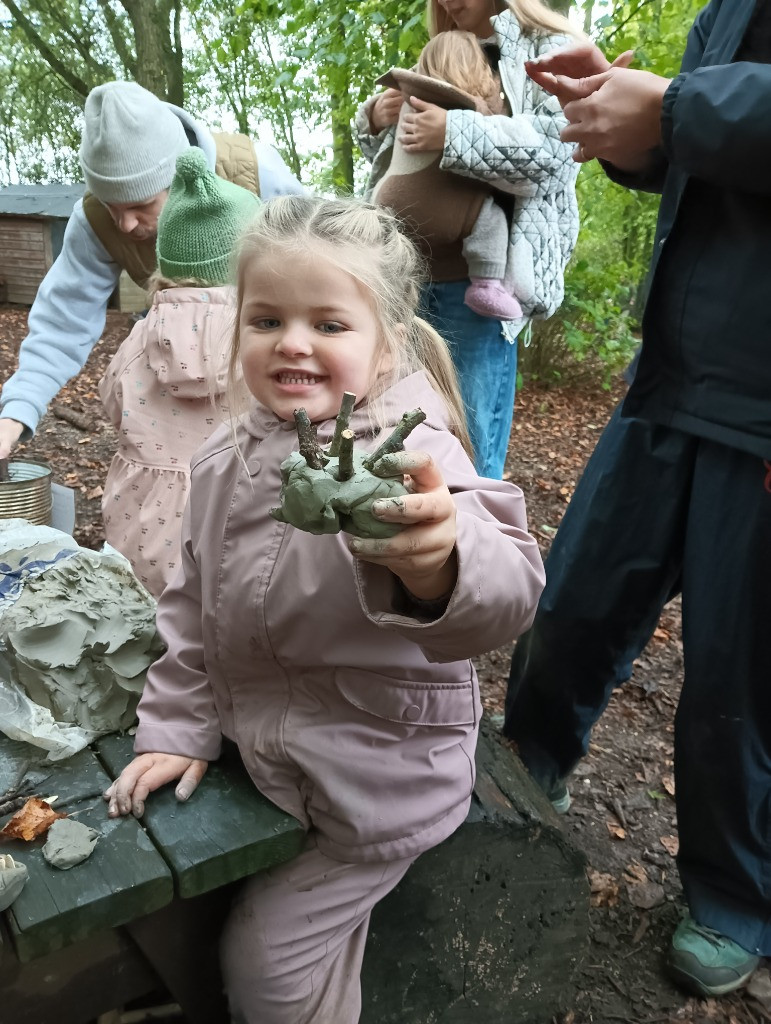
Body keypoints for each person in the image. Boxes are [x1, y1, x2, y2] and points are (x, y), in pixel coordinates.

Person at [103, 195, 546, 1023]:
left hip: (376, 775)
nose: (293, 342)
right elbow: (192, 611)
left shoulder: (411, 455)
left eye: (328, 324)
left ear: (385, 342)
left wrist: (440, 565)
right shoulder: (220, 458)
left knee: (265, 966)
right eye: (265, 318)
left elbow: (510, 595)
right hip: (264, 750)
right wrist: (174, 727)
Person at [503, 0, 771, 999]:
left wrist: (678, 109)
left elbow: (703, 116)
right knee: (573, 597)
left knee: (742, 672)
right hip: (673, 371)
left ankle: (737, 893)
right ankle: (528, 769)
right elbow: (692, 152)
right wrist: (619, 114)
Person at [0, 80, 304, 461]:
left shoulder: (256, 172)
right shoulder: (93, 220)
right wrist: (15, 412)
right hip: (177, 383)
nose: (125, 225)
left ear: (176, 180)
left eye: (141, 205)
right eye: (113, 207)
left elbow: (319, 268)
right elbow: (65, 318)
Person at [356, 0, 583, 479]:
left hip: (482, 290)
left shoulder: (549, 50)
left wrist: (455, 130)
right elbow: (401, 162)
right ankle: (408, 547)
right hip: (407, 281)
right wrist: (374, 119)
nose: (445, 3)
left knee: (471, 440)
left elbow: (557, 155)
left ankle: (476, 549)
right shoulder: (443, 51)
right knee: (397, 427)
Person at [99, 147, 260, 598]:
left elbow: (113, 401)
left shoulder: (140, 339)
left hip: (144, 535)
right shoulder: (264, 340)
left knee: (150, 641)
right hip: (237, 530)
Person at [372, 30, 523, 322]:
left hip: (388, 202)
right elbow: (513, 145)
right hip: (452, 216)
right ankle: (487, 285)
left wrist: (370, 116)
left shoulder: (408, 97)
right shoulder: (474, 108)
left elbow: (378, 145)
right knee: (491, 219)